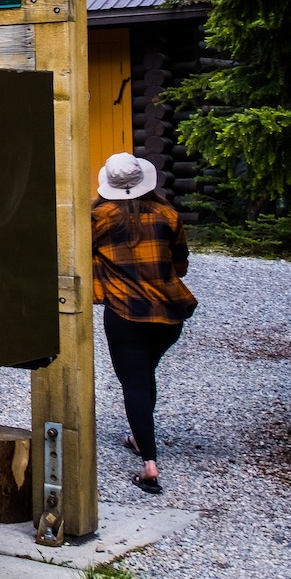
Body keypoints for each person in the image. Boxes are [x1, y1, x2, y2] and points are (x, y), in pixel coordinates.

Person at [92, 152, 197, 495]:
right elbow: (180, 266)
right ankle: (139, 436)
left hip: (125, 312)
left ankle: (149, 463)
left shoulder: (97, 218)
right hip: (169, 314)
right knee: (145, 374)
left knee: (134, 382)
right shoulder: (168, 214)